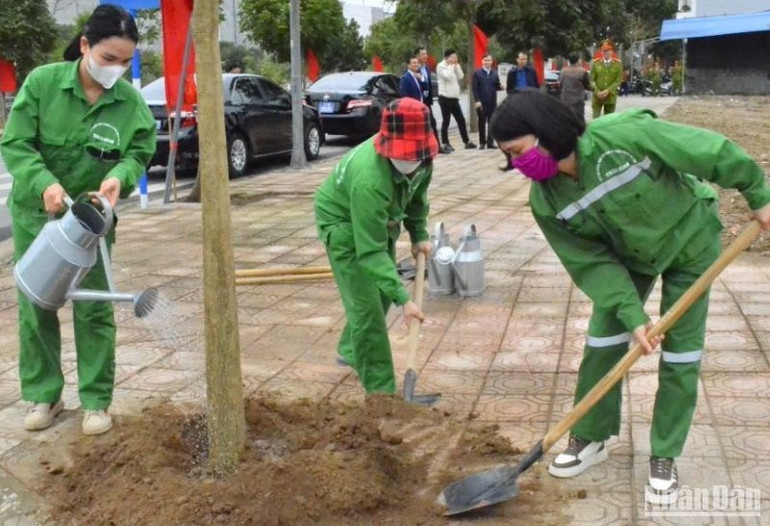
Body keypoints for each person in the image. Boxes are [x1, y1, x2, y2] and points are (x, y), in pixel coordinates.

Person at [489, 89, 770, 506]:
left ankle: (664, 454)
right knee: (603, 340)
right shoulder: (545, 201)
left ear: (545, 132)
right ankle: (590, 436)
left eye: (517, 151)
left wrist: (760, 196)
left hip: (690, 241)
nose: (516, 164)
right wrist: (632, 314)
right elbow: (591, 262)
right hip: (629, 259)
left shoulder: (623, 135)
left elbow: (707, 151)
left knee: (681, 354)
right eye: (509, 156)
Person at [0, 4, 156, 436]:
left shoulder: (128, 102)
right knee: (37, 305)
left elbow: (140, 151)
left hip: (91, 223)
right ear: (85, 46)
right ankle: (43, 394)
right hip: (39, 218)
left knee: (94, 309)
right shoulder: (44, 84)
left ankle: (95, 402)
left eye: (126, 62)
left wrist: (117, 178)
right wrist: (44, 183)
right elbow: (16, 144)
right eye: (109, 59)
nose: (116, 70)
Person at [314, 97, 434, 394]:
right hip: (342, 223)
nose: (409, 161)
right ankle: (382, 395)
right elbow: (370, 253)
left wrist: (418, 233)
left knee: (380, 292)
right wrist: (404, 300)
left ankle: (351, 350)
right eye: (403, 155)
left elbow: (417, 196)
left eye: (414, 155)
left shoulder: (424, 159)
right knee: (368, 313)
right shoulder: (370, 180)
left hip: (382, 217)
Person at [436, 49, 476, 152]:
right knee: (446, 121)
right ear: (446, 57)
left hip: (454, 97)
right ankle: (445, 143)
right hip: (444, 97)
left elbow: (461, 76)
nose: (454, 59)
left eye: (455, 57)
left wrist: (456, 65)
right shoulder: (440, 66)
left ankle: (467, 142)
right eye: (452, 57)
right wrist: (450, 66)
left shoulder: (454, 65)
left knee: (461, 120)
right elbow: (448, 77)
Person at [415, 47, 446, 154]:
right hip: (418, 102)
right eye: (423, 54)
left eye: (426, 54)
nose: (425, 56)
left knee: (432, 123)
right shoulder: (414, 69)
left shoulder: (426, 68)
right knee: (421, 126)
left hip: (427, 102)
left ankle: (437, 146)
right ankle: (422, 148)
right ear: (417, 56)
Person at [471, 54, 502, 150]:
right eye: (485, 60)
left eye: (489, 60)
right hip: (482, 102)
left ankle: (490, 142)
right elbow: (475, 89)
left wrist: (500, 87)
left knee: (492, 123)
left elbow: (497, 85)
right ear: (482, 61)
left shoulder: (494, 73)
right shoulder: (477, 73)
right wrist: (477, 100)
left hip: (492, 102)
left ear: (491, 62)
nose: (487, 62)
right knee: (481, 122)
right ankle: (482, 142)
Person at [590, 40, 622, 118]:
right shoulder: (595, 63)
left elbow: (618, 80)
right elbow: (591, 80)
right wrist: (597, 92)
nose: (605, 52)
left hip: (610, 96)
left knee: (609, 121)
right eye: (603, 51)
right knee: (595, 120)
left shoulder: (618, 64)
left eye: (607, 51)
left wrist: (608, 91)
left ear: (611, 51)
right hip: (597, 96)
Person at [560, 52, 590, 125]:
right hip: (578, 101)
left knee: (566, 121)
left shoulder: (563, 71)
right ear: (578, 60)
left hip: (565, 100)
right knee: (579, 120)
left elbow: (561, 83)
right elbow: (587, 86)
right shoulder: (582, 71)